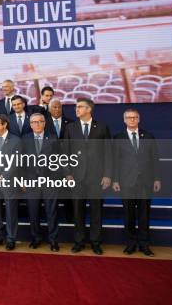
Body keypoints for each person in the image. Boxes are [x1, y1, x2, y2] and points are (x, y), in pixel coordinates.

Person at [64, 98, 112, 255]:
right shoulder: (70, 127)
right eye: (76, 107)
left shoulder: (102, 127)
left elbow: (108, 153)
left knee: (96, 211)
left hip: (96, 177)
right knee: (77, 211)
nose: (76, 109)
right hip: (76, 177)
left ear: (89, 109)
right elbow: (65, 153)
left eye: (80, 107)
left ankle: (96, 242)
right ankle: (79, 242)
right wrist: (68, 174)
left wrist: (107, 175)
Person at [113, 109, 161, 257]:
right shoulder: (118, 138)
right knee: (128, 214)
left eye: (135, 117)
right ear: (124, 120)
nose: (132, 120)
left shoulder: (148, 136)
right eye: (129, 118)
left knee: (144, 215)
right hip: (126, 182)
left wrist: (157, 178)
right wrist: (115, 180)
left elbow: (155, 159)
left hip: (145, 182)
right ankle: (131, 244)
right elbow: (114, 161)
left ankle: (144, 245)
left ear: (139, 119)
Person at [22, 113, 65, 251]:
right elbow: (20, 161)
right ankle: (36, 238)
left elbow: (60, 159)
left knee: (51, 212)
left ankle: (53, 240)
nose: (37, 124)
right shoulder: (25, 138)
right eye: (34, 122)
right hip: (31, 182)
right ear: (30, 124)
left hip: (50, 181)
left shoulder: (53, 138)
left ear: (45, 123)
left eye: (40, 121)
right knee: (33, 212)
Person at [0, 115, 22, 250]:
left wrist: (3, 176)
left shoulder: (16, 140)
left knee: (10, 211)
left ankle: (11, 238)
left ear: (4, 124)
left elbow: (16, 162)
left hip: (9, 180)